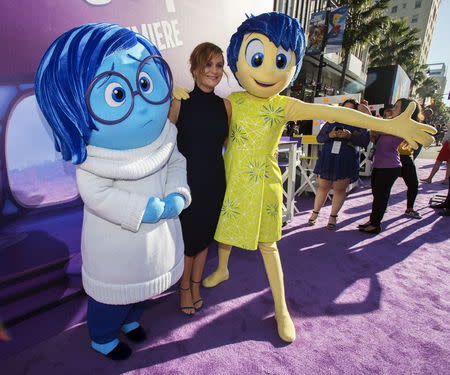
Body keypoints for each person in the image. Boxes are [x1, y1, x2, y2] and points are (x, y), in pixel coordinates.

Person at [192, 12, 434, 343]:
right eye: (257, 58)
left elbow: (335, 113)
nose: (266, 70)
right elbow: (202, 112)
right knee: (226, 228)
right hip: (231, 182)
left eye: (279, 60)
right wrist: (182, 96)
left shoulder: (285, 105)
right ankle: (222, 268)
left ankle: (281, 309)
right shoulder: (233, 101)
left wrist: (388, 125)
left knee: (268, 245)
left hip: (263, 186)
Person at [35, 23, 191, 360]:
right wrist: (142, 209)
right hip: (116, 245)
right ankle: (103, 337)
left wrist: (178, 192)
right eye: (117, 94)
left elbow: (176, 162)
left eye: (146, 83)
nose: (144, 104)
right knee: (111, 296)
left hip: (154, 241)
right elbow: (98, 194)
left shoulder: (165, 136)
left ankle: (132, 320)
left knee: (142, 288)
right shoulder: (94, 160)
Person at [168, 42, 230, 316]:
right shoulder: (179, 103)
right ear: (194, 68)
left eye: (219, 65)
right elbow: (165, 147)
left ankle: (196, 285)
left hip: (215, 181)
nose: (214, 71)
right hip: (187, 183)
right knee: (188, 241)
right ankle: (184, 289)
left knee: (205, 238)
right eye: (208, 64)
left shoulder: (226, 106)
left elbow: (228, 144)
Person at [359, 98, 423, 234]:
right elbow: (378, 137)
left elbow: (380, 128)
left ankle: (375, 225)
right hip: (380, 165)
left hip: (389, 167)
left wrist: (368, 115)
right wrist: (373, 135)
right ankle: (372, 220)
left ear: (405, 111)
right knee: (377, 196)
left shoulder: (401, 126)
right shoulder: (390, 124)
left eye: (397, 107)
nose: (393, 109)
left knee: (381, 197)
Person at [308, 99, 369, 229]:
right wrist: (331, 134)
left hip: (346, 160)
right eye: (345, 108)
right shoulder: (332, 120)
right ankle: (314, 214)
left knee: (339, 189)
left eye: (351, 109)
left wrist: (350, 136)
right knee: (323, 187)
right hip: (328, 158)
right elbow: (320, 138)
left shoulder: (360, 123)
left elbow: (365, 141)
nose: (347, 111)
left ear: (356, 111)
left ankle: (333, 217)